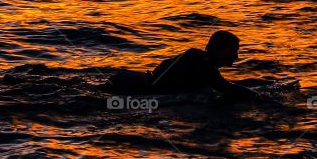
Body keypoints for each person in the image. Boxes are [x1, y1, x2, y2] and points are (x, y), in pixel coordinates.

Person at [106, 30, 264, 103]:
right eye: (233, 51)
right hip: (130, 86)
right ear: (220, 49)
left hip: (130, 81)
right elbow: (224, 87)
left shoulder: (198, 58)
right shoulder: (202, 63)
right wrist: (261, 98)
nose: (236, 56)